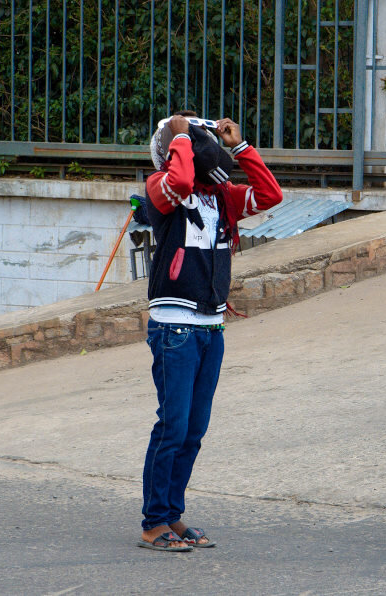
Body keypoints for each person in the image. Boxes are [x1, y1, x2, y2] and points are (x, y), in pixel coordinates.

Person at [138, 113, 283, 551]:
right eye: (187, 142)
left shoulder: (222, 198)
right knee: (173, 425)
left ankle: (173, 514)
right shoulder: (158, 189)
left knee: (194, 429)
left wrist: (239, 148)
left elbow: (270, 194)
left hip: (209, 327)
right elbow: (179, 183)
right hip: (174, 327)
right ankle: (153, 522)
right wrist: (180, 135)